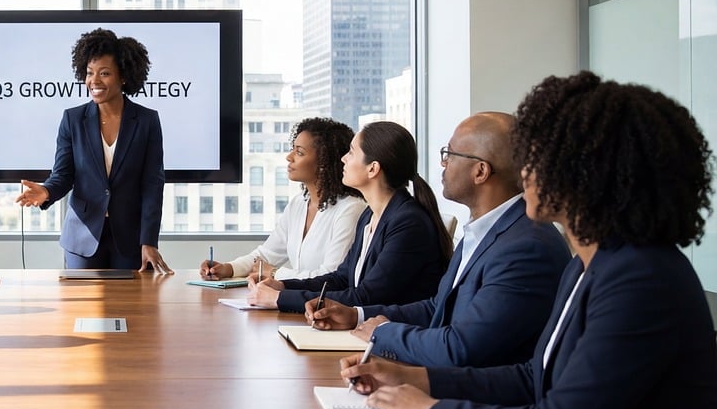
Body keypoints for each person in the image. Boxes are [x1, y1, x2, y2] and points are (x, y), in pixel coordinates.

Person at [344, 73, 717, 409]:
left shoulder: (641, 278)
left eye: (536, 158)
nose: (524, 174)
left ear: (588, 175)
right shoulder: (588, 264)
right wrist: (415, 378)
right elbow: (532, 378)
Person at [307, 113, 570, 368]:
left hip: (481, 398)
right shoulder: (485, 230)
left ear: (480, 172)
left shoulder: (526, 247)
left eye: (450, 154)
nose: (443, 164)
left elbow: (461, 347)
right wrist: (357, 316)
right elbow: (438, 308)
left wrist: (384, 333)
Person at [247, 121, 450, 312]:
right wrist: (282, 286)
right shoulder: (370, 216)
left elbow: (365, 297)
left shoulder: (408, 223)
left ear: (373, 169)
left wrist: (279, 299)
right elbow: (341, 279)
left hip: (390, 335)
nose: (343, 158)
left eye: (351, 153)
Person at [15, 28, 170, 272]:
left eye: (105, 73)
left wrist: (148, 241)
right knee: (81, 308)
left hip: (130, 239)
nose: (94, 81)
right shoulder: (73, 119)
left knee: (133, 308)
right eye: (89, 73)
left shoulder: (147, 121)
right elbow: (63, 175)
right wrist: (46, 191)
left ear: (124, 77)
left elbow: (153, 184)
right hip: (82, 238)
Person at [199, 117, 364, 282]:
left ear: (324, 162)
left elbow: (332, 275)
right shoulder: (298, 204)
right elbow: (267, 255)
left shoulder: (351, 209)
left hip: (325, 304)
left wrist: (275, 273)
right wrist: (228, 268)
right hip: (299, 301)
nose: (289, 157)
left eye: (299, 152)